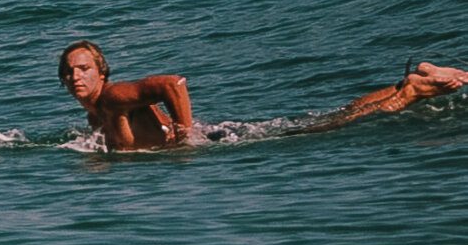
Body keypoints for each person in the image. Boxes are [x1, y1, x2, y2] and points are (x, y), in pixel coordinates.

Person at [57, 39, 467, 153]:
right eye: (70, 71)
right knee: (333, 117)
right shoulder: (99, 113)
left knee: (332, 125)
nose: (76, 76)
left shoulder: (111, 96)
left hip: (221, 138)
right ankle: (409, 83)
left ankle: (412, 90)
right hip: (220, 132)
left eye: (84, 68)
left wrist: (186, 137)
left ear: (102, 72)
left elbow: (173, 83)